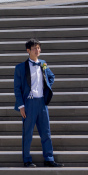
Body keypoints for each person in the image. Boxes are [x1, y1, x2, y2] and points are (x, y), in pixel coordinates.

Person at [14, 39, 64, 168]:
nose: (37, 50)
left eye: (38, 48)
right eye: (34, 48)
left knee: (46, 132)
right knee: (28, 133)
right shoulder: (20, 68)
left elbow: (51, 76)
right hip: (29, 103)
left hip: (42, 102)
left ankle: (49, 158)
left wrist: (46, 87)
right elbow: (17, 88)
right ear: (28, 51)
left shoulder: (43, 64)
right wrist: (21, 106)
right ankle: (27, 160)